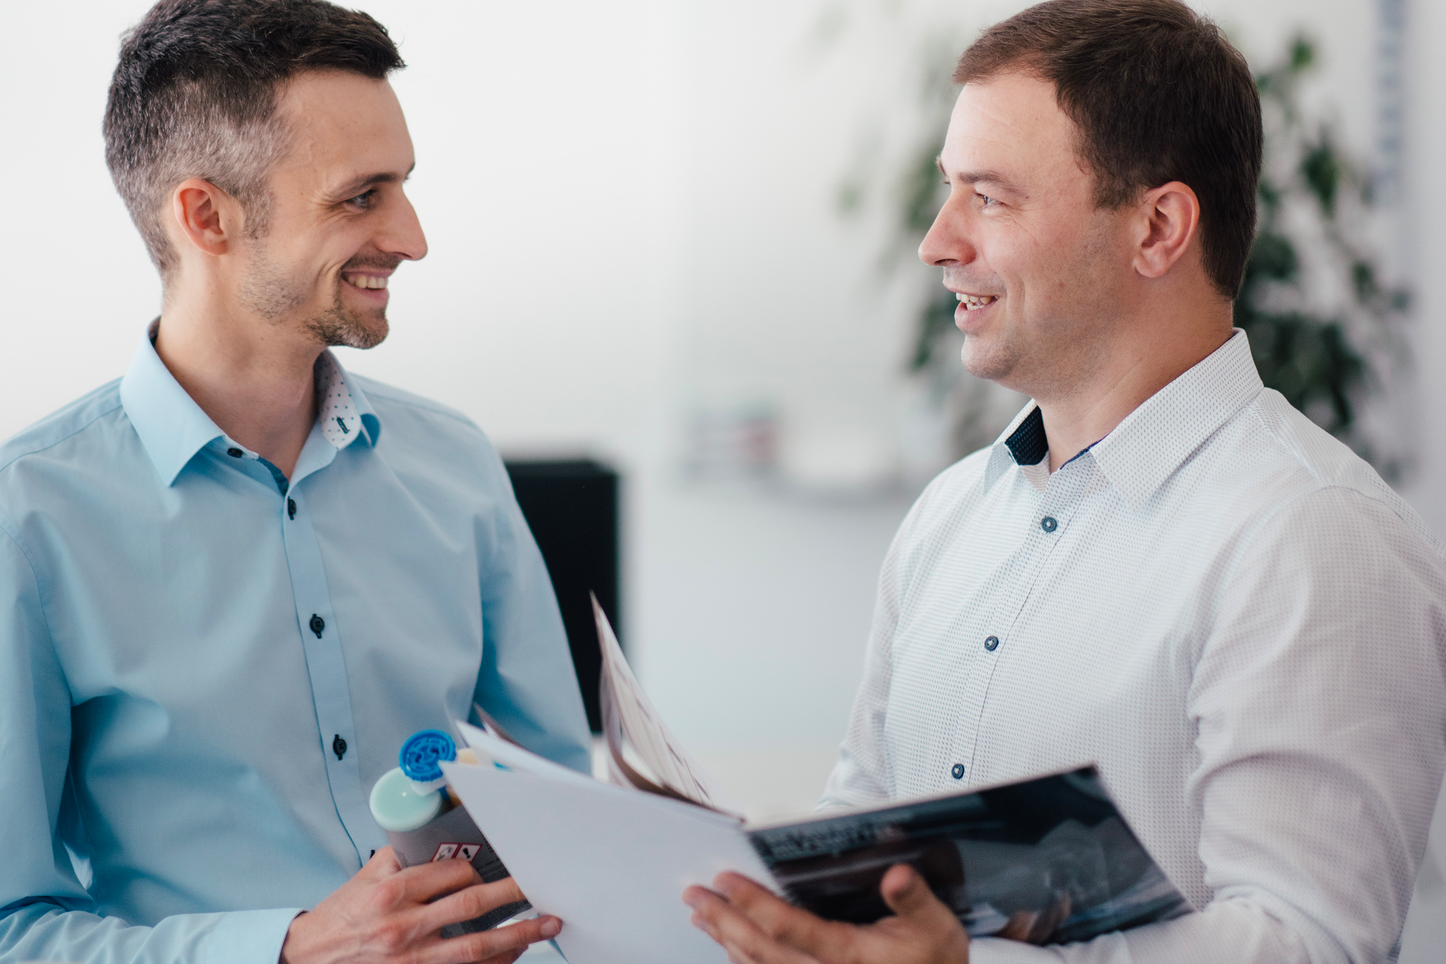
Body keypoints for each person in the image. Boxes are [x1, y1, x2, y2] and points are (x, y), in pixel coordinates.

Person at [685, 1, 1446, 961]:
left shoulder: (1311, 538)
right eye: (947, 191)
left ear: (1158, 228)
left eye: (990, 198)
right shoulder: (951, 514)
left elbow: (1309, 944)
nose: (937, 242)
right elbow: (866, 821)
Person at [0, 2, 590, 963]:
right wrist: (286, 948)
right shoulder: (30, 518)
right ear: (207, 216)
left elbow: (569, 826)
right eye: (362, 197)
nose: (412, 237)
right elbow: (10, 929)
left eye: (403, 188)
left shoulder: (458, 467)